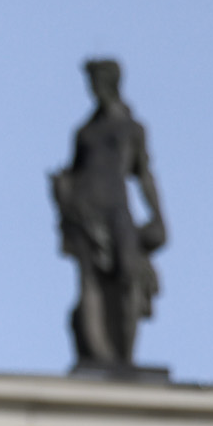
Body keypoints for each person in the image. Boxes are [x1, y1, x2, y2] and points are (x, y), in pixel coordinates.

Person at [50, 58, 168, 372]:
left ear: (113, 84)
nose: (95, 90)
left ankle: (124, 358)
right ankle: (99, 353)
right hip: (87, 210)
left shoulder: (132, 128)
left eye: (99, 83)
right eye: (92, 84)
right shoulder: (85, 132)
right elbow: (73, 173)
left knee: (128, 275)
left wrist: (158, 215)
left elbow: (144, 175)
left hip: (118, 209)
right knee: (90, 281)